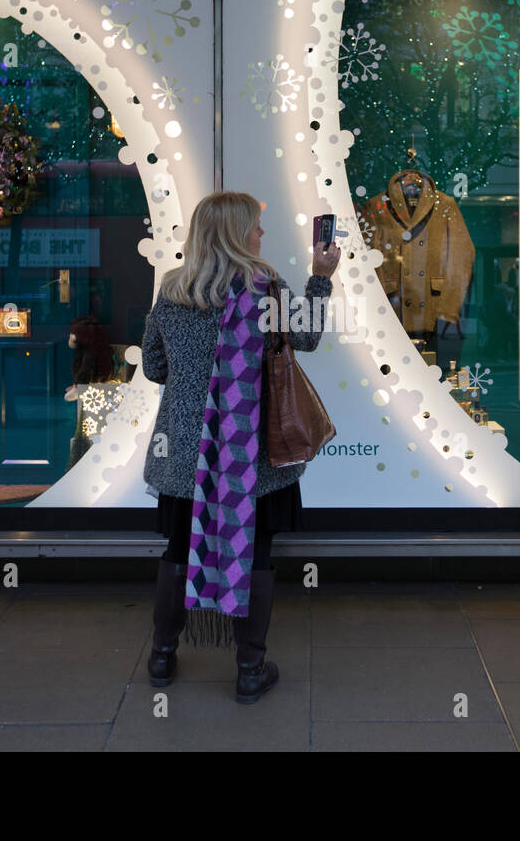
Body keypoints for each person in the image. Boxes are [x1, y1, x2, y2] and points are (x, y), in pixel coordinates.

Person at [138, 190, 340, 704]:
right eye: (254, 226)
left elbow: (155, 367)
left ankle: (161, 656)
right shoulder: (265, 287)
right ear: (234, 232)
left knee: (177, 549)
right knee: (259, 555)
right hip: (251, 453)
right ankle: (250, 668)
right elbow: (310, 336)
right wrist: (322, 276)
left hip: (187, 454)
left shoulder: (172, 290)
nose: (260, 234)